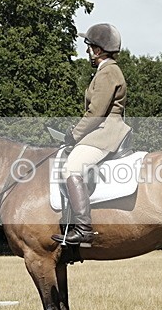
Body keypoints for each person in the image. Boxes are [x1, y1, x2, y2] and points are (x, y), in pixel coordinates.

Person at [52, 23, 132, 246]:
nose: (87, 52)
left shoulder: (108, 72)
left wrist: (74, 134)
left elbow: (96, 112)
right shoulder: (105, 71)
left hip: (106, 132)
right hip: (100, 131)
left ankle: (84, 228)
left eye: (88, 47)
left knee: (71, 168)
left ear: (98, 50)